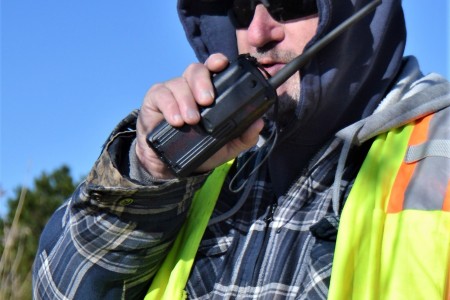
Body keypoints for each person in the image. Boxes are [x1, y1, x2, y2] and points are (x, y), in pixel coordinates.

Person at [33, 0, 450, 299]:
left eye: (290, 4)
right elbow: (57, 291)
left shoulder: (440, 148)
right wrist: (150, 177)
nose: (257, 33)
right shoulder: (201, 160)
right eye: (239, 9)